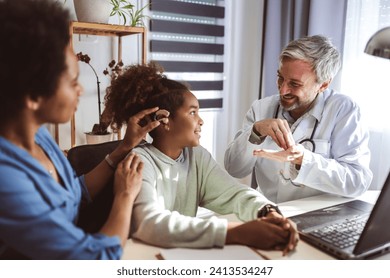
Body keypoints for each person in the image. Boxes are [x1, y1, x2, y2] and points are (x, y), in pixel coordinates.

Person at [0, 0, 161, 259]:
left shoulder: (38, 135)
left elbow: (75, 193)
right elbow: (95, 260)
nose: (80, 90)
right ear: (32, 95)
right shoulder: (7, 179)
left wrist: (124, 147)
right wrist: (125, 196)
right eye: (73, 81)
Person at [103, 62, 299, 254]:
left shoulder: (197, 156)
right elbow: (150, 224)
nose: (201, 120)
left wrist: (266, 211)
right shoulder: (139, 162)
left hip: (182, 255)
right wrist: (235, 232)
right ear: (164, 120)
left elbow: (234, 193)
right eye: (193, 112)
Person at [224, 35, 373, 203]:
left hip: (318, 215)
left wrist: (303, 159)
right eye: (280, 78)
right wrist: (255, 133)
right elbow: (234, 169)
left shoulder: (344, 110)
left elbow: (357, 182)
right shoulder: (261, 108)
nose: (282, 90)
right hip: (269, 212)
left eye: (295, 84)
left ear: (323, 85)